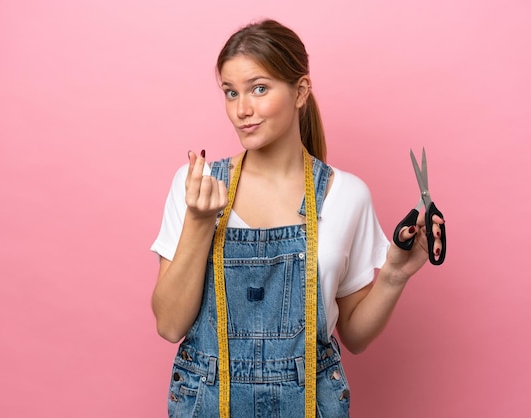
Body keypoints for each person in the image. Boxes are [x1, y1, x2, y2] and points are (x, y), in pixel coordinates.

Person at [151, 19, 444, 417]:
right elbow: (169, 325)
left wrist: (394, 274)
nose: (242, 110)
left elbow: (354, 336)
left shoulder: (347, 196)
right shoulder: (196, 189)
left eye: (259, 88)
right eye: (230, 92)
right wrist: (201, 223)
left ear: (300, 91)